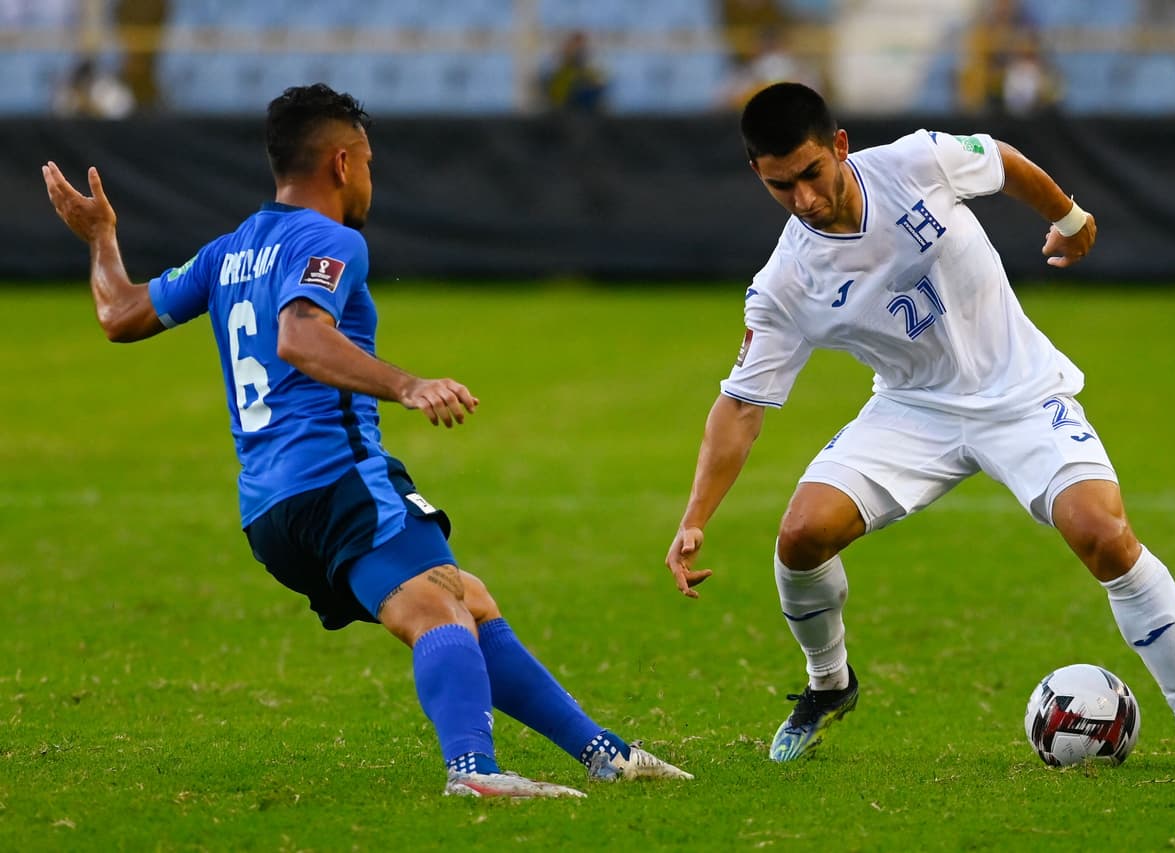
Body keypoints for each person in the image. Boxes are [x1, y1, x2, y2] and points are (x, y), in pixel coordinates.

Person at [43, 83, 691, 798]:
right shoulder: (330, 239)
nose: (371, 179)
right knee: (440, 606)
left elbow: (121, 313)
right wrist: (407, 385)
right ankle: (474, 772)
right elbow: (299, 335)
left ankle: (606, 754)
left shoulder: (228, 252)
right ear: (343, 163)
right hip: (337, 478)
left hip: (270, 513)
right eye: (370, 163)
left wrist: (101, 239)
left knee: (466, 597)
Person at [663, 82, 1175, 774]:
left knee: (1103, 535)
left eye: (811, 174)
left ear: (840, 147)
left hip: (1020, 392)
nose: (804, 199)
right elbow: (741, 406)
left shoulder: (916, 162)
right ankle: (829, 684)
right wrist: (695, 517)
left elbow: (1002, 160)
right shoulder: (785, 282)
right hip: (913, 409)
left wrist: (1068, 216)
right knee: (800, 536)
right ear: (757, 175)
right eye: (780, 186)